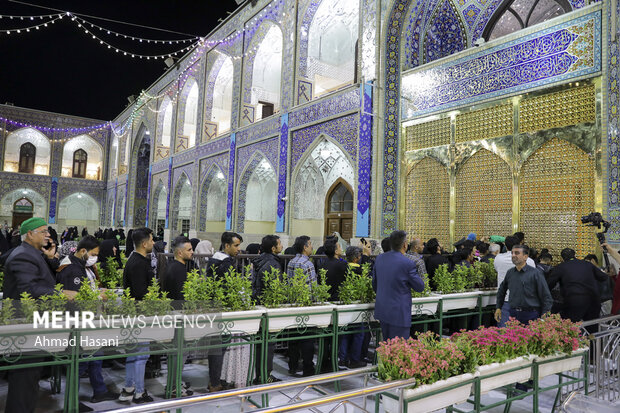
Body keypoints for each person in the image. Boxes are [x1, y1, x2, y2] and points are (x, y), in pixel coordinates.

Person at [3, 217, 77, 412]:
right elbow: (29, 288)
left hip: (33, 323)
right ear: (30, 234)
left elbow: (41, 278)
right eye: (43, 231)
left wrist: (51, 258)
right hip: (25, 324)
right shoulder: (23, 256)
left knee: (29, 377)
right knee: (24, 378)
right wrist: (60, 294)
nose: (48, 235)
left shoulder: (31, 253)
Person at [57, 236, 118, 404]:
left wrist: (98, 291)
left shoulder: (83, 265)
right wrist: (99, 296)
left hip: (91, 319)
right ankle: (72, 402)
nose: (95, 257)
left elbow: (87, 290)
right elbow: (75, 298)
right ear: (83, 251)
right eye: (93, 253)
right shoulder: (71, 269)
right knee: (81, 362)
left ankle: (100, 391)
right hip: (80, 321)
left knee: (95, 357)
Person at [119, 227, 155, 403]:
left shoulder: (133, 259)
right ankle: (139, 392)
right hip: (139, 315)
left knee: (133, 355)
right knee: (141, 355)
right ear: (144, 243)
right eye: (152, 239)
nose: (154, 243)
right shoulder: (139, 263)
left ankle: (129, 388)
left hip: (132, 314)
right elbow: (141, 292)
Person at [372, 230, 425, 340]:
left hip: (383, 310)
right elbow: (420, 287)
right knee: (399, 351)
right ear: (405, 245)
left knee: (386, 347)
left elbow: (374, 284)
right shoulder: (408, 263)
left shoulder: (380, 258)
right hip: (399, 313)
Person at [161, 236, 195, 396]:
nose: (192, 252)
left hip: (173, 315)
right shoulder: (179, 270)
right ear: (180, 252)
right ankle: (174, 386)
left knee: (177, 352)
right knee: (179, 353)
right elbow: (182, 297)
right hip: (179, 317)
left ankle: (174, 382)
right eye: (189, 250)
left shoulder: (172, 266)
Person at [251, 235, 283, 383]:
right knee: (268, 343)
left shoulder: (261, 259)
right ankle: (265, 376)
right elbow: (273, 288)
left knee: (261, 343)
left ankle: (260, 374)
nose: (281, 245)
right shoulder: (272, 263)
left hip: (258, 303)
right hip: (268, 307)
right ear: (273, 248)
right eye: (279, 243)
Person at [495, 244, 553, 325]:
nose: (513, 255)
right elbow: (502, 290)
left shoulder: (535, 273)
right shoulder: (510, 273)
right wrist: (498, 307)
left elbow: (546, 296)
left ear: (525, 257)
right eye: (512, 253)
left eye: (517, 253)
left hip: (531, 315)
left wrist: (544, 317)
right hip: (513, 314)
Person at [547, 248, 608, 322]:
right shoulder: (587, 264)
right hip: (593, 300)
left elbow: (549, 284)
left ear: (562, 258)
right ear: (574, 255)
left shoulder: (560, 267)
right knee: (592, 327)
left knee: (571, 328)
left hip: (574, 301)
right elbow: (603, 277)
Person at [286, 236, 316, 376]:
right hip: (305, 304)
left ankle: (292, 366)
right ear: (305, 247)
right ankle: (308, 368)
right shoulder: (308, 264)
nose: (311, 247)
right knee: (307, 338)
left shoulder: (291, 262)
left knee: (294, 337)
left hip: (293, 303)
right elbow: (312, 287)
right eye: (310, 244)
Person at [493, 235, 536, 327]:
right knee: (523, 331)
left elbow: (497, 269)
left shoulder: (499, 258)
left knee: (504, 331)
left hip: (506, 299)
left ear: (505, 245)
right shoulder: (529, 261)